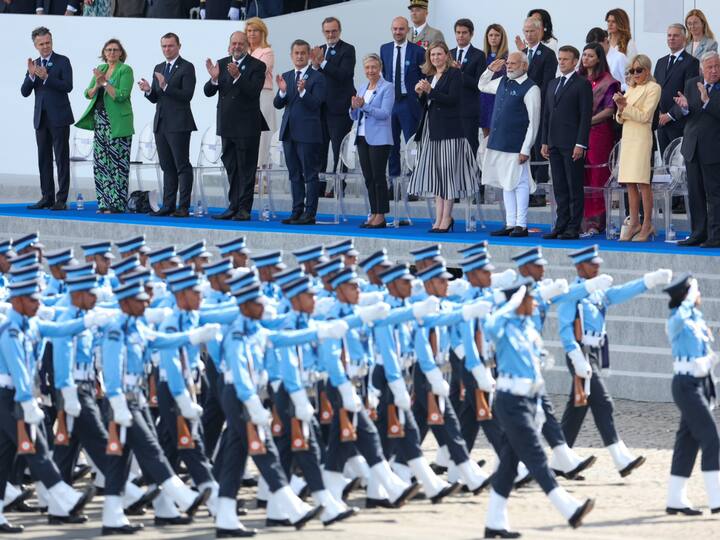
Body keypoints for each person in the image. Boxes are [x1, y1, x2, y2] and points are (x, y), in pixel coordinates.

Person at [482, 277, 595, 539]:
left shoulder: (527, 329)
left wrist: (539, 409)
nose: (533, 303)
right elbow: (489, 325)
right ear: (517, 302)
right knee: (536, 457)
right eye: (529, 299)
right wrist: (508, 303)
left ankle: (494, 523)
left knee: (509, 464)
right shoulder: (504, 325)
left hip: (528, 400)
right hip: (510, 402)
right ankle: (569, 508)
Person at [557, 245, 671, 478]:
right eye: (592, 264)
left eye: (598, 262)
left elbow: (620, 292)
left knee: (578, 408)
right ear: (580, 267)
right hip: (580, 354)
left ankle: (559, 462)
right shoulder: (572, 292)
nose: (597, 266)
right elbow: (564, 328)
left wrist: (648, 281)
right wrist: (575, 356)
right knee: (604, 403)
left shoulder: (598, 292)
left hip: (594, 353)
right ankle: (621, 458)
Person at [662, 274, 720, 516]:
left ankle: (675, 498)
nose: (699, 296)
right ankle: (717, 499)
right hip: (685, 384)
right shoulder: (676, 320)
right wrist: (689, 297)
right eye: (695, 292)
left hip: (699, 383)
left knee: (687, 441)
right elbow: (681, 317)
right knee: (711, 438)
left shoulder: (696, 319)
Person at [408, 41, 481, 233]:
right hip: (432, 131)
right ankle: (439, 218)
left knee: (448, 177)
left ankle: (446, 218)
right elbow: (427, 103)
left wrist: (431, 91)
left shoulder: (455, 74)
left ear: (446, 55)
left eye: (439, 54)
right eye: (432, 55)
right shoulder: (430, 75)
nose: (435, 58)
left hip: (450, 131)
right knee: (437, 177)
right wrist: (421, 94)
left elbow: (453, 100)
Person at [204, 31, 268, 222]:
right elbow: (208, 92)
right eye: (234, 43)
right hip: (227, 125)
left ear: (247, 46)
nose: (237, 47)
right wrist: (214, 79)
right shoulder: (222, 63)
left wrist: (239, 76)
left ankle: (244, 209)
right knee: (232, 167)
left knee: (246, 169)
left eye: (241, 44)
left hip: (248, 126)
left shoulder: (258, 65)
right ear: (229, 45)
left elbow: (253, 92)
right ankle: (233, 206)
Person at [479, 52, 541, 238]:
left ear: (524, 66)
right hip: (499, 142)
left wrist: (526, 148)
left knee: (519, 183)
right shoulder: (502, 81)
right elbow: (482, 85)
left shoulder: (531, 89)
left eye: (514, 63)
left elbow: (533, 121)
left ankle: (521, 224)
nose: (509, 66)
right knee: (506, 184)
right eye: (508, 63)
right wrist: (490, 70)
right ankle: (510, 223)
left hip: (516, 144)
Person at [139, 32, 197, 218]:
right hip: (161, 123)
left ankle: (184, 206)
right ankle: (168, 204)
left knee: (182, 166)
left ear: (179, 46)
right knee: (167, 167)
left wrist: (165, 86)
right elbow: (157, 98)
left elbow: (187, 95)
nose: (167, 49)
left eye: (170, 46)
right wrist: (149, 91)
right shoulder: (159, 67)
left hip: (179, 123)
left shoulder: (187, 67)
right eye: (164, 46)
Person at [75, 38, 134, 214]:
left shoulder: (125, 70)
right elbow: (88, 93)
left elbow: (121, 95)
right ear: (104, 53)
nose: (111, 53)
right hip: (100, 120)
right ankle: (104, 202)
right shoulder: (101, 69)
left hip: (117, 122)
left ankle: (117, 203)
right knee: (101, 163)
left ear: (121, 53)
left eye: (115, 50)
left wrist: (105, 83)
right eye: (108, 50)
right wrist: (97, 84)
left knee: (118, 163)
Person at [541, 45, 592, 240]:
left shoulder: (582, 84)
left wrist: (581, 143)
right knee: (559, 186)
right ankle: (560, 224)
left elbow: (585, 116)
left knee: (574, 186)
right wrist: (545, 140)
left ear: (575, 61)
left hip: (572, 144)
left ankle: (573, 226)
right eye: (559, 59)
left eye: (565, 59)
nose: (561, 62)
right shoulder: (553, 83)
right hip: (554, 142)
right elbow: (547, 114)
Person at [273, 39, 326, 226]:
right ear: (291, 55)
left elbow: (317, 104)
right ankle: (296, 211)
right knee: (294, 174)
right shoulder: (287, 76)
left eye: (303, 53)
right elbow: (278, 104)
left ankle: (310, 213)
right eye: (296, 53)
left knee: (310, 174)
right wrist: (281, 92)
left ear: (309, 55)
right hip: (289, 132)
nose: (299, 56)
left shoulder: (317, 77)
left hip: (308, 134)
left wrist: (303, 92)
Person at [21, 27, 74, 211]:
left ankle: (61, 199)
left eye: (48, 42)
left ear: (52, 41)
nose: (45, 46)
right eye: (41, 44)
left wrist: (47, 77)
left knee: (61, 159)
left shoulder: (62, 61)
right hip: (41, 118)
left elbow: (68, 86)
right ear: (35, 45)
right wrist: (31, 75)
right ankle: (47, 197)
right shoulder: (34, 64)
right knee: (43, 159)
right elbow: (24, 92)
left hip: (60, 117)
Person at [613, 54, 661, 242]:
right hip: (628, 137)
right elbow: (619, 117)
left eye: (638, 70)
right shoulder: (631, 89)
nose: (635, 74)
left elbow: (645, 116)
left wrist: (624, 107)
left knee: (643, 183)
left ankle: (647, 223)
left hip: (641, 138)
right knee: (629, 182)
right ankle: (634, 222)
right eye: (632, 71)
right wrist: (620, 107)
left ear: (647, 71)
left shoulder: (654, 88)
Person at [675, 51, 720, 248]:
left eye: (717, 66)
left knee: (714, 194)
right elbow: (686, 113)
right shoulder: (692, 83)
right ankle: (698, 233)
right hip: (692, 147)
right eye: (710, 67)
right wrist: (683, 108)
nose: (714, 70)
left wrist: (707, 100)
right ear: (702, 68)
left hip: (714, 148)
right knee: (695, 193)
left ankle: (716, 235)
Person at [578, 42, 620, 235]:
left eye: (590, 56)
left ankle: (596, 222)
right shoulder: (578, 79)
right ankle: (581, 221)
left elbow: (610, 110)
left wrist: (587, 121)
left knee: (597, 176)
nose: (586, 58)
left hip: (599, 133)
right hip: (578, 133)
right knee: (581, 175)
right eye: (584, 55)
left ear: (599, 59)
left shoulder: (608, 82)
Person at [312, 17, 356, 196]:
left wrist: (322, 63)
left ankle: (339, 188)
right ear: (323, 32)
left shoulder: (348, 49)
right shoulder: (319, 50)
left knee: (340, 150)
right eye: (327, 31)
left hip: (339, 110)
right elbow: (315, 78)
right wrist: (314, 67)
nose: (331, 34)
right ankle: (320, 187)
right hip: (320, 109)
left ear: (340, 31)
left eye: (334, 31)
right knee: (320, 150)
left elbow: (344, 75)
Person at [350, 53, 394, 229]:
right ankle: (373, 212)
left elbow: (384, 113)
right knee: (368, 177)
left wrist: (364, 106)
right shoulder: (362, 87)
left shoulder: (387, 87)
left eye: (374, 67)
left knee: (378, 177)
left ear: (380, 68)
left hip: (379, 139)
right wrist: (353, 107)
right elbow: (355, 114)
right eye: (367, 68)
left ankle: (381, 215)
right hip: (361, 136)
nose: (371, 71)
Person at [380, 16, 425, 178]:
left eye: (401, 29)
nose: (398, 32)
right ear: (391, 30)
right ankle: (393, 181)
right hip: (390, 103)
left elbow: (423, 76)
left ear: (407, 30)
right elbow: (384, 75)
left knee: (411, 144)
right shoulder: (384, 49)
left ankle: (413, 182)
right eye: (395, 29)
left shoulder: (418, 51)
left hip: (409, 102)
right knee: (391, 144)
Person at [521, 16, 557, 203]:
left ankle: (540, 191)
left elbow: (547, 82)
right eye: (526, 31)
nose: (529, 35)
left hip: (539, 107)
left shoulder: (548, 54)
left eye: (532, 31)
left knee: (538, 147)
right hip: (521, 110)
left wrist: (530, 96)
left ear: (540, 31)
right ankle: (525, 188)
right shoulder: (520, 53)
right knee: (524, 148)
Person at [654, 24, 699, 157]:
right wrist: (658, 114)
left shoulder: (691, 62)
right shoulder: (660, 62)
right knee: (665, 165)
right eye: (669, 35)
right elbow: (655, 90)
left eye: (675, 35)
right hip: (661, 123)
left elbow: (689, 93)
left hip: (678, 122)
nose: (671, 38)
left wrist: (670, 115)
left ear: (684, 38)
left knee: (678, 166)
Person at [450, 18, 486, 155]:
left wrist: (460, 72)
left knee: (470, 143)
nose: (460, 36)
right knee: (452, 144)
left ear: (471, 34)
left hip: (469, 108)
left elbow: (479, 84)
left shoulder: (479, 55)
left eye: (464, 32)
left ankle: (474, 173)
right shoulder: (449, 54)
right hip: (451, 108)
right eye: (458, 32)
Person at [245, 17, 276, 171]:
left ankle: (261, 173)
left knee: (263, 135)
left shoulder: (267, 51)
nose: (251, 34)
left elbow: (258, 70)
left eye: (255, 30)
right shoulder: (244, 51)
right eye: (249, 31)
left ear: (262, 32)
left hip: (263, 95)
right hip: (245, 96)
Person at [480, 24, 508, 139]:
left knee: (496, 134)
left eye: (497, 35)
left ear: (502, 38)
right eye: (491, 35)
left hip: (498, 98)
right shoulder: (482, 56)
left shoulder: (506, 58)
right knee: (485, 135)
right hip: (483, 98)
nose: (493, 38)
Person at [586, 27, 627, 91]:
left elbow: (629, 83)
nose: (593, 49)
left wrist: (612, 88)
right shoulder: (589, 59)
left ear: (605, 40)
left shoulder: (619, 57)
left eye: (596, 45)